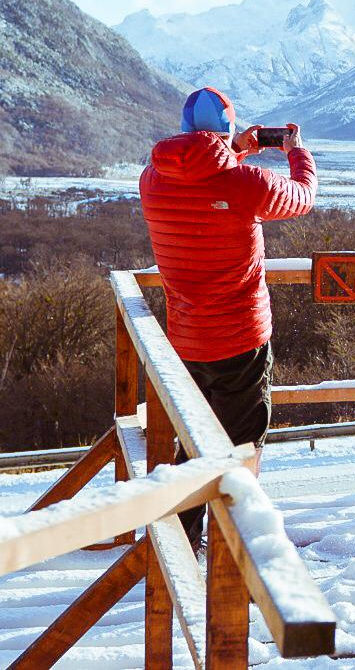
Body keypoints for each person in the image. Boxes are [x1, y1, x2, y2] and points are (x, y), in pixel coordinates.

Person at [139, 86, 317, 548]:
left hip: (184, 340)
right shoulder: (247, 183)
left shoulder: (151, 179)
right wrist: (298, 154)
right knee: (241, 451)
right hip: (240, 337)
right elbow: (302, 197)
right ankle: (232, 557)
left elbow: (199, 174)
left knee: (193, 448)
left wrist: (233, 151)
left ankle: (177, 548)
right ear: (227, 131)